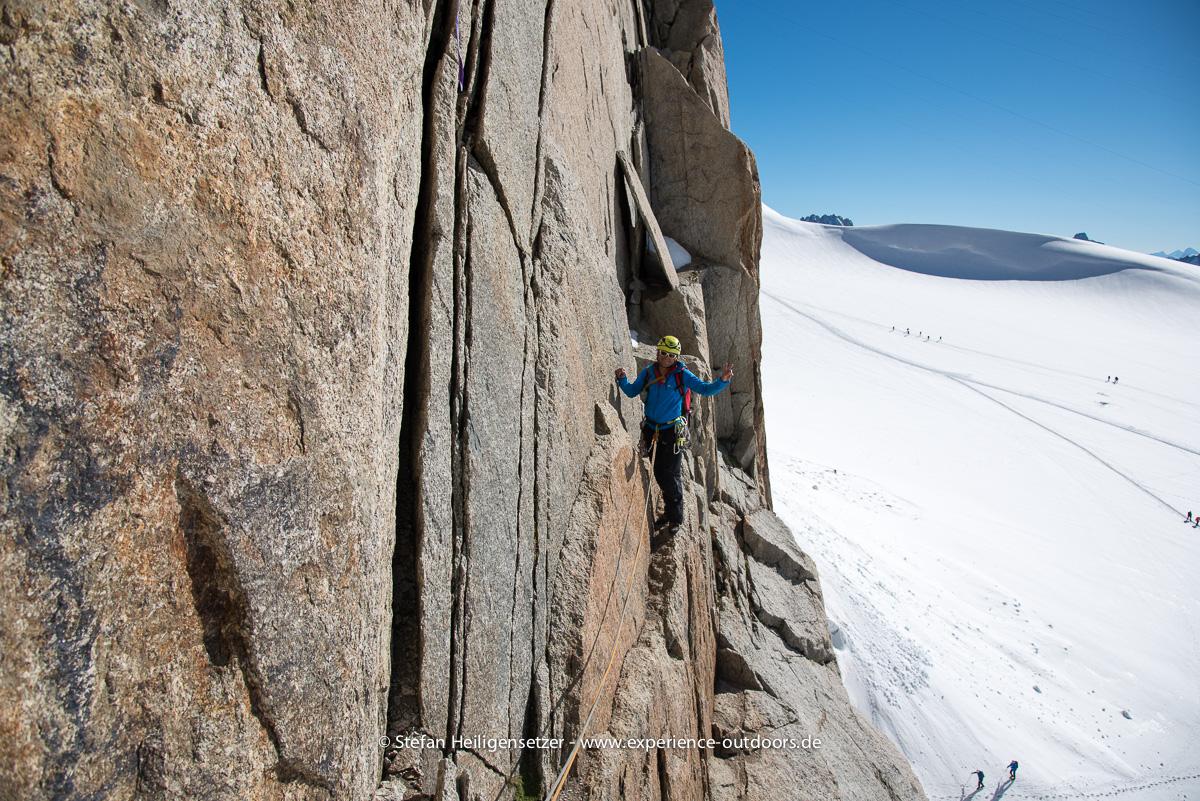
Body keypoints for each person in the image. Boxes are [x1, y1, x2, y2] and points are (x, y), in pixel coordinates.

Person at [615, 335, 733, 535]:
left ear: (676, 357)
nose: (667, 358)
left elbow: (705, 389)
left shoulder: (682, 375)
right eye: (663, 353)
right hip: (651, 429)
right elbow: (632, 391)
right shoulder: (649, 372)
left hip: (671, 431)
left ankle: (675, 517)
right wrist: (622, 379)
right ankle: (670, 512)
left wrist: (722, 381)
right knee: (660, 471)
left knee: (670, 474)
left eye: (671, 355)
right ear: (658, 352)